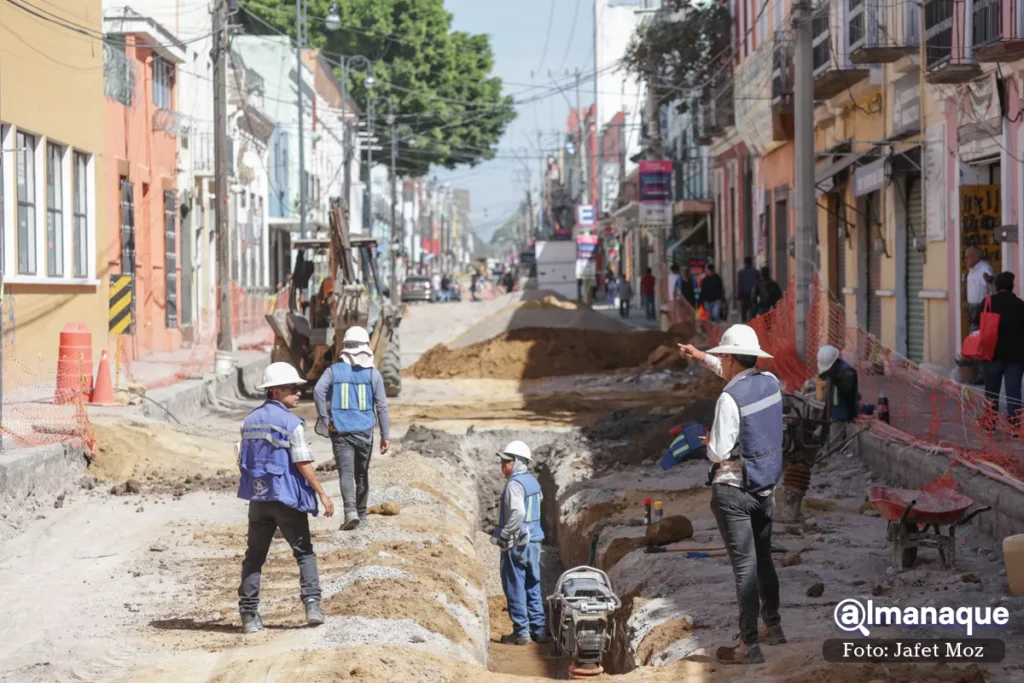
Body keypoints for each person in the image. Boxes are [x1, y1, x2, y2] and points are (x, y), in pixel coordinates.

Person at [677, 325, 785, 665]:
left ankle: (748, 645)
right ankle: (774, 626)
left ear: (731, 359)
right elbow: (736, 377)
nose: (720, 362)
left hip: (733, 492)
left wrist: (709, 443)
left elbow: (719, 451)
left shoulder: (728, 399)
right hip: (765, 489)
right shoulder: (770, 384)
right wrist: (700, 356)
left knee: (745, 569)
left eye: (722, 357)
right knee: (764, 559)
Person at [236, 362, 335, 634]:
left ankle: (248, 615)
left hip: (258, 499)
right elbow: (302, 462)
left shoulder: (249, 420)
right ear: (276, 391)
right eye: (293, 388)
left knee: (254, 557)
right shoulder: (292, 424)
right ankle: (313, 605)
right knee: (304, 552)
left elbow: (242, 459)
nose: (298, 393)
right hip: (287, 499)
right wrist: (322, 494)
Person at [313, 326, 391, 531]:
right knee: (362, 474)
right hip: (365, 431)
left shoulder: (332, 371)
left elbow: (318, 391)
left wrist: (325, 417)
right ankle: (362, 515)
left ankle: (350, 512)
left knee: (346, 472)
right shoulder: (373, 375)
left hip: (340, 430)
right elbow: (382, 405)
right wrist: (385, 435)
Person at [491, 440, 548, 645]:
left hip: (518, 543)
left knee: (515, 586)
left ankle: (522, 633)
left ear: (517, 462)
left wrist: (505, 535)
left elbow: (518, 512)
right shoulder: (532, 482)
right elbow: (537, 504)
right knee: (533, 585)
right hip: (534, 541)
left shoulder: (515, 485)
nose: (502, 466)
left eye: (506, 462)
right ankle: (539, 630)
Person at [982, 272, 1024, 427]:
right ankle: (1014, 424)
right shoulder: (1020, 305)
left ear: (997, 286)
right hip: (1016, 356)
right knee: (1014, 391)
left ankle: (990, 423)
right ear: (1012, 286)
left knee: (991, 391)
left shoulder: (989, 303)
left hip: (992, 353)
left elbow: (976, 322)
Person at [817, 345, 861, 455]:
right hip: (834, 412)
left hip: (843, 414)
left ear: (836, 362)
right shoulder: (833, 372)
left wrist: (851, 416)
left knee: (834, 445)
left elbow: (847, 394)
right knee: (827, 438)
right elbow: (829, 395)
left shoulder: (848, 373)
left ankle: (834, 455)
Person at [965, 246, 995, 333]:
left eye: (967, 257)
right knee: (973, 335)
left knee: (978, 334)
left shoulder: (985, 269)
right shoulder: (971, 271)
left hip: (982, 308)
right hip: (971, 308)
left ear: (975, 257)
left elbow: (992, 288)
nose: (965, 260)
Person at [737, 257, 760, 323]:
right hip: (753, 295)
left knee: (744, 312)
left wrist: (739, 297)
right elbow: (758, 284)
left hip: (744, 295)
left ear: (744, 263)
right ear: (751, 262)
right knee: (753, 312)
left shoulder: (741, 273)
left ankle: (744, 324)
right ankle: (752, 324)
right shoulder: (756, 272)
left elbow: (740, 285)